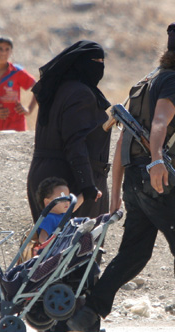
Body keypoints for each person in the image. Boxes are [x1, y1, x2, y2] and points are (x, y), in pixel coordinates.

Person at [67, 21, 175, 332]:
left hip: (134, 179)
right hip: (156, 177)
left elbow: (121, 142)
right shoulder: (174, 82)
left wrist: (116, 196)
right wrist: (157, 160)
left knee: (134, 254)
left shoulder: (145, 82)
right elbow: (159, 122)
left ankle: (89, 313)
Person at [26, 40, 112, 221]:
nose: (100, 67)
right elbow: (75, 143)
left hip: (44, 175)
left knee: (48, 245)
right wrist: (87, 185)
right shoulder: (80, 94)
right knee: (77, 246)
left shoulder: (57, 89)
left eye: (102, 61)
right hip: (68, 181)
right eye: (95, 61)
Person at [35, 176, 83, 243]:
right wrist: (50, 248)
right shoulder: (49, 218)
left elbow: (73, 206)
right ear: (48, 203)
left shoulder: (62, 214)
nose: (67, 202)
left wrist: (85, 195)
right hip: (54, 251)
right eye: (62, 199)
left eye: (68, 198)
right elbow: (42, 238)